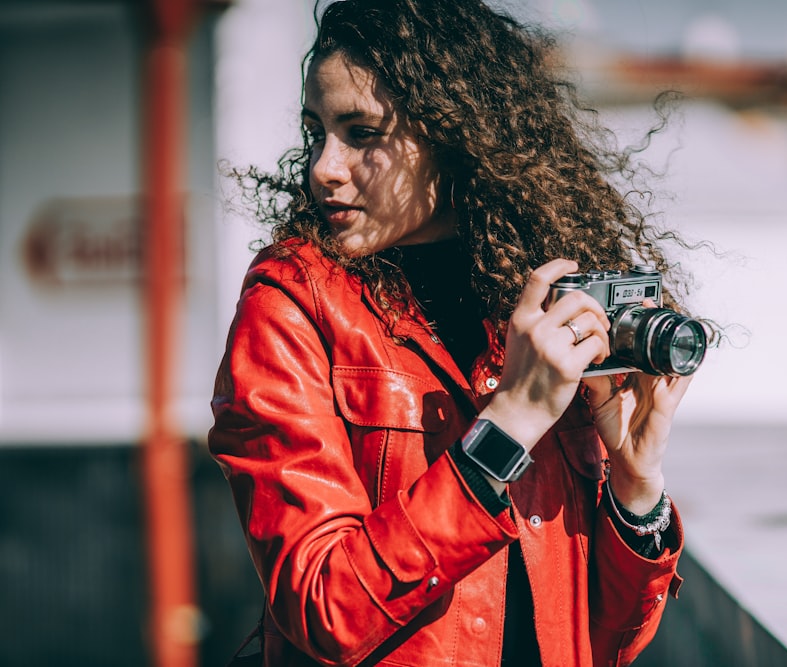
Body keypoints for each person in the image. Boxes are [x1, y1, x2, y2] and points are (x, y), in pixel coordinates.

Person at [209, 0, 701, 665]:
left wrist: (636, 493)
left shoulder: (528, 300)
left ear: (451, 132)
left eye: (360, 132)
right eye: (317, 131)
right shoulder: (294, 300)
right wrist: (510, 424)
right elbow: (324, 604)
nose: (324, 165)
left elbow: (605, 640)